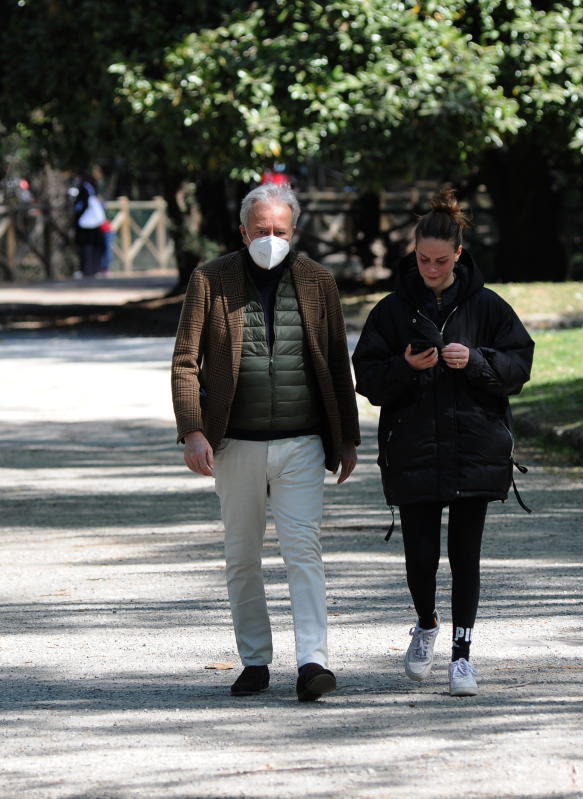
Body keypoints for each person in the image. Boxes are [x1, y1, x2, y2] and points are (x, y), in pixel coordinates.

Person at [171, 183, 360, 702]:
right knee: (241, 554)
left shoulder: (318, 281)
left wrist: (347, 437)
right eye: (261, 231)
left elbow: (337, 360)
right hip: (235, 444)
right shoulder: (211, 279)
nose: (270, 240)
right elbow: (186, 360)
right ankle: (255, 660)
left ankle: (313, 662)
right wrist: (193, 430)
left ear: (293, 231)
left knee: (304, 551)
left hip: (301, 442)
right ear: (243, 231)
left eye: (279, 231)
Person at [352, 188, 534, 697]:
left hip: (474, 449)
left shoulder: (489, 306)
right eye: (422, 259)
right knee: (420, 556)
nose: (431, 268)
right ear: (414, 254)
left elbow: (519, 366)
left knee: (466, 556)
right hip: (412, 449)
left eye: (440, 260)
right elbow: (366, 376)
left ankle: (462, 655)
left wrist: (475, 361)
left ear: (458, 255)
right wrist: (405, 368)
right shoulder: (392, 311)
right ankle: (426, 623)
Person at [73, 176, 106, 277]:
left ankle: (88, 270)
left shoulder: (84, 189)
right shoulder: (92, 190)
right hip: (93, 223)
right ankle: (93, 269)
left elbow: (81, 206)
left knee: (87, 246)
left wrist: (77, 217)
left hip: (86, 224)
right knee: (92, 247)